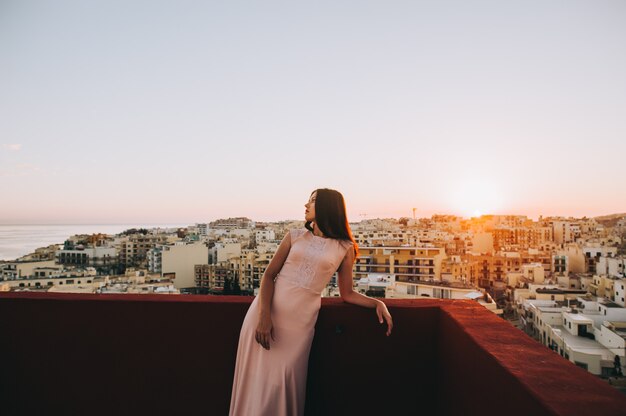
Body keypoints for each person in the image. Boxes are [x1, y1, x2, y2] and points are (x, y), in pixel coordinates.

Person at [228, 188, 393, 416]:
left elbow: (347, 293)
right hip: (265, 314)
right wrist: (264, 316)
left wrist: (376, 303)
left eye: (313, 201)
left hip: (299, 325)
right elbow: (268, 275)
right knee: (254, 381)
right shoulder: (294, 236)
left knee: (284, 383)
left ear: (327, 207)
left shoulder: (345, 248)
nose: (306, 205)